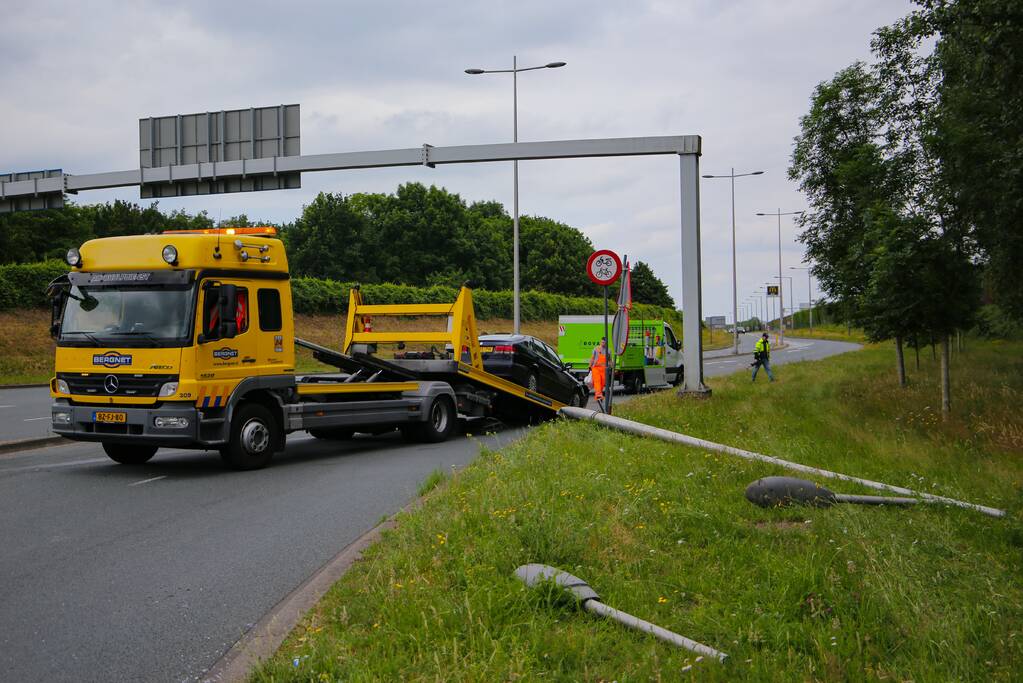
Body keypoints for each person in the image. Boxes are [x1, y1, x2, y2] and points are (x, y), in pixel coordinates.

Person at [589, 337, 608, 402]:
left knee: (602, 383)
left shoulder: (608, 350)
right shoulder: (596, 349)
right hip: (595, 368)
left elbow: (610, 360)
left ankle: (600, 394)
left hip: (603, 369)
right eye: (602, 342)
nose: (603, 343)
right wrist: (590, 366)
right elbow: (592, 358)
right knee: (597, 381)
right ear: (600, 342)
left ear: (606, 343)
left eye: (604, 342)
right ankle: (598, 395)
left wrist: (613, 366)